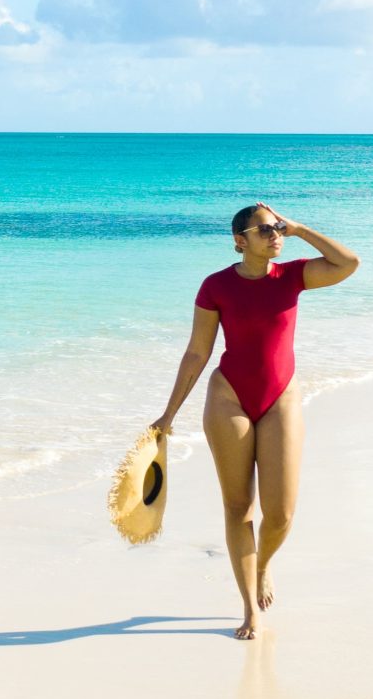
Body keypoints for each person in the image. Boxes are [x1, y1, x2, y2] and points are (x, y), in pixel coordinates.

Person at [149, 205, 359, 639]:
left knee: (280, 514)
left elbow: (348, 263)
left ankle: (263, 564)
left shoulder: (294, 277)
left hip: (281, 396)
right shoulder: (216, 286)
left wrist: (301, 229)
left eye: (278, 228)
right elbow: (197, 351)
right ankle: (249, 609)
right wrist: (169, 413)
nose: (275, 235)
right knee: (238, 507)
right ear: (239, 240)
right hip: (229, 396)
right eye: (265, 229)